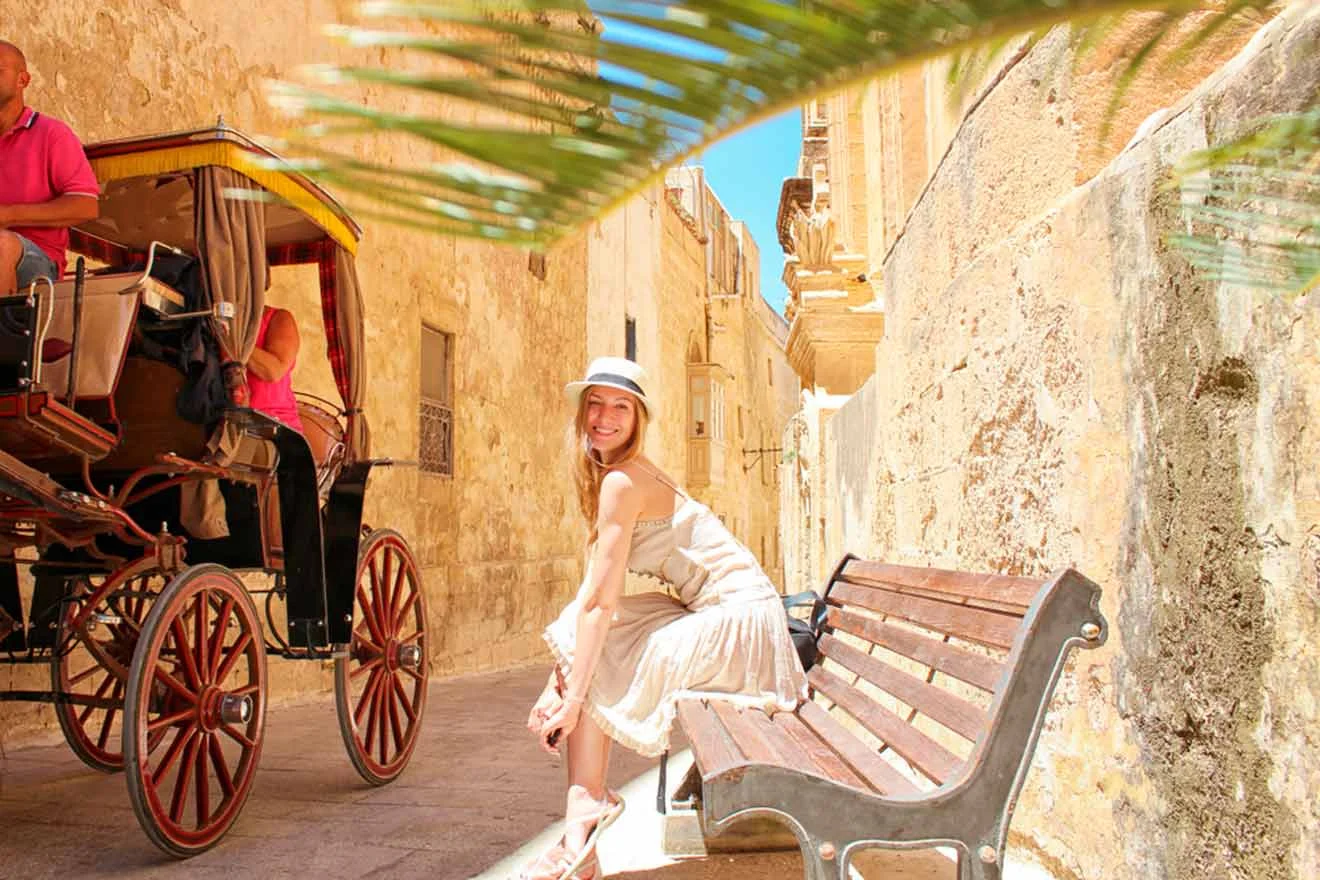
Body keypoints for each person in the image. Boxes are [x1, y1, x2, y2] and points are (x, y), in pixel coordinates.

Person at [520, 357, 807, 880]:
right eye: (596, 405)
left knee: (598, 642)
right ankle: (583, 816)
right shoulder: (616, 477)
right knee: (582, 633)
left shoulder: (623, 483)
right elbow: (591, 600)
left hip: (741, 621)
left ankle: (581, 823)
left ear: (638, 418)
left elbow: (601, 604)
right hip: (718, 611)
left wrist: (573, 698)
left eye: (621, 407)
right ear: (583, 413)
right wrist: (556, 679)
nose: (606, 417)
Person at [0, 40, 99, 295]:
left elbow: (86, 205)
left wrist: (8, 215)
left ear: (23, 80)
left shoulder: (52, 134)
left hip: (39, 261)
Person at [245, 304, 304, 433]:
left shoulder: (278, 318)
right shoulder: (206, 317)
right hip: (222, 420)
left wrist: (230, 339)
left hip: (272, 425)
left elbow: (274, 371)